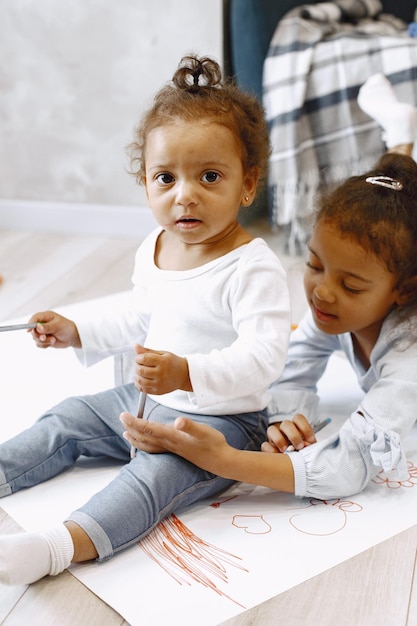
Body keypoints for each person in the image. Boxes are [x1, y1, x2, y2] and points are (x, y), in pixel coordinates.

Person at [0, 55, 291, 585]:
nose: (186, 194)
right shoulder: (155, 246)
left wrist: (186, 374)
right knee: (67, 419)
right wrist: (77, 329)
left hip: (222, 422)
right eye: (166, 177)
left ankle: (62, 545)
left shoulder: (253, 267)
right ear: (146, 183)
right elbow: (138, 313)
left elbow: (264, 358)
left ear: (247, 186)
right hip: (148, 402)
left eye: (209, 176)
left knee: (153, 478)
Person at [121, 76, 417, 500]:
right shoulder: (332, 310)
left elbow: (347, 469)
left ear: (403, 291)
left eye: (351, 285)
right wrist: (286, 420)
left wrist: (224, 459)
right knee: (398, 203)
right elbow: (292, 370)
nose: (322, 293)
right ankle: (401, 138)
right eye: (314, 265)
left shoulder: (409, 358)